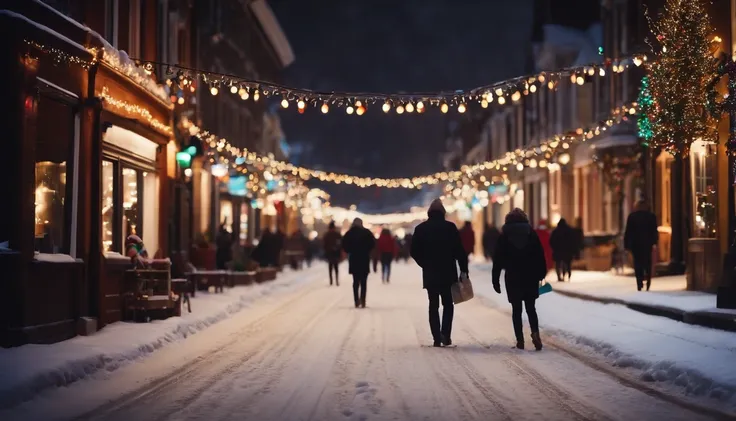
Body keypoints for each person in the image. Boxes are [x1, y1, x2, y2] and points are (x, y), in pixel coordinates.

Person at [411, 199, 469, 347]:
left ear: (429, 213)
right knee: (448, 304)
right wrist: (463, 269)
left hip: (430, 273)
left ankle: (436, 337)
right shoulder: (450, 228)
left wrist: (424, 263)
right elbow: (459, 251)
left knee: (433, 305)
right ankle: (446, 334)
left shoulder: (421, 229)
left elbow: (413, 251)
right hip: (447, 272)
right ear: (443, 213)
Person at [492, 208, 546, 351]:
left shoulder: (504, 235)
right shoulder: (531, 233)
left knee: (516, 310)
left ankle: (520, 340)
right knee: (531, 308)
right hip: (530, 275)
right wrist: (541, 272)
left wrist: (495, 279)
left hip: (513, 276)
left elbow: (497, 258)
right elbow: (539, 254)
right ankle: (535, 333)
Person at [624, 200, 659, 291]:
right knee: (647, 263)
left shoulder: (632, 217)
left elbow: (628, 232)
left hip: (636, 244)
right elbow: (654, 231)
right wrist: (655, 242)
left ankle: (639, 282)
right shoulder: (651, 216)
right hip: (647, 244)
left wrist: (627, 245)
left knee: (637, 264)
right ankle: (648, 280)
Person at [342, 218, 376, 308]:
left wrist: (350, 251)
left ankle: (356, 300)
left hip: (354, 259)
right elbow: (373, 244)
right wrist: (366, 250)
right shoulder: (366, 233)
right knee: (364, 281)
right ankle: (363, 300)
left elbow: (344, 245)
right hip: (364, 258)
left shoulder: (349, 233)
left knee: (355, 281)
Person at [323, 221, 342, 286]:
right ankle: (336, 280)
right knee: (336, 267)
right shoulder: (337, 234)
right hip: (335, 253)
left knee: (330, 267)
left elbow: (324, 245)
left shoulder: (327, 235)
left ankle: (331, 281)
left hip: (329, 253)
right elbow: (340, 243)